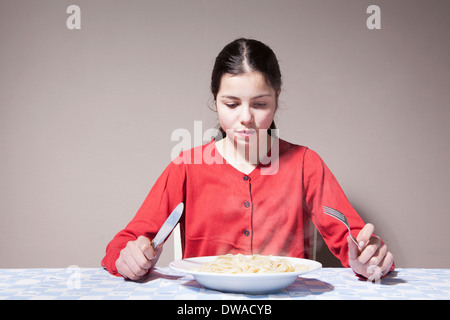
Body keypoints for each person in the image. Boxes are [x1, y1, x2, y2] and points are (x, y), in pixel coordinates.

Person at [101, 38, 394, 282]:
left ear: (277, 98)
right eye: (231, 104)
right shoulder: (186, 166)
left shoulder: (306, 163)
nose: (245, 119)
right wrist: (127, 256)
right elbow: (122, 244)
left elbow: (354, 242)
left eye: (260, 104)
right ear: (214, 100)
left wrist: (370, 257)